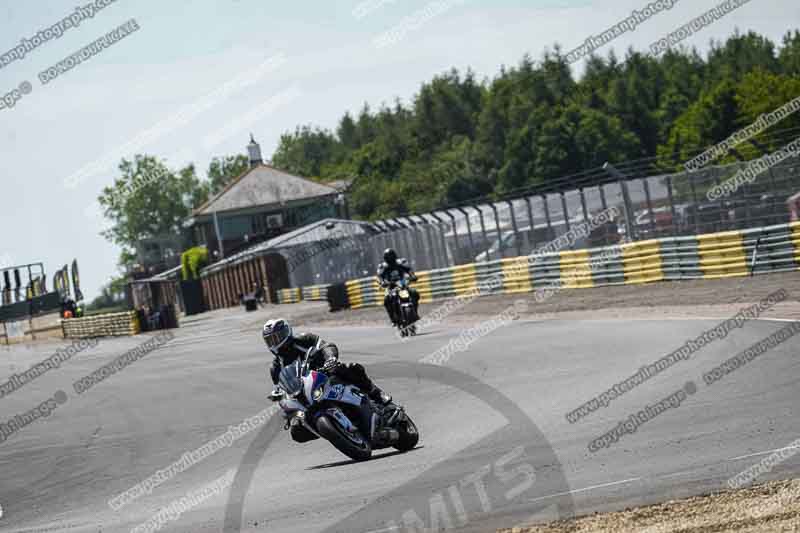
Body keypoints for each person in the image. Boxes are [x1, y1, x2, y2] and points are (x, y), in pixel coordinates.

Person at [263, 318, 392, 405]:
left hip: (326, 373)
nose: (275, 343)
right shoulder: (275, 367)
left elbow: (326, 346)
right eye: (271, 340)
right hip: (306, 393)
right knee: (297, 431)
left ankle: (376, 393)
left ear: (286, 332)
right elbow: (282, 388)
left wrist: (330, 359)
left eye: (277, 337)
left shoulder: (304, 339)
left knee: (352, 368)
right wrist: (279, 396)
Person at [377, 248, 420, 326]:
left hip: (402, 284)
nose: (390, 258)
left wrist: (413, 276)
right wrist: (382, 283)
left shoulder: (401, 262)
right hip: (391, 286)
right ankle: (393, 319)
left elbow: (409, 269)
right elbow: (380, 276)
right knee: (387, 300)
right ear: (385, 258)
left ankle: (415, 313)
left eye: (391, 256)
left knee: (415, 293)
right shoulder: (382, 266)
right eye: (388, 257)